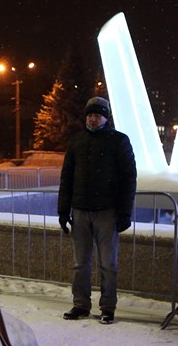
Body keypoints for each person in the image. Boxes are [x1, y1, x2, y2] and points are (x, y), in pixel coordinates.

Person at [57, 96, 137, 325]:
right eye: (90, 114)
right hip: (80, 212)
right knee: (80, 263)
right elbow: (67, 178)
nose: (93, 118)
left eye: (97, 114)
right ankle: (80, 305)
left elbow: (128, 178)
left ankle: (107, 308)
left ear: (105, 117)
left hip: (107, 212)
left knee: (108, 264)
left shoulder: (119, 141)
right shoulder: (76, 142)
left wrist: (124, 213)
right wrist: (63, 211)